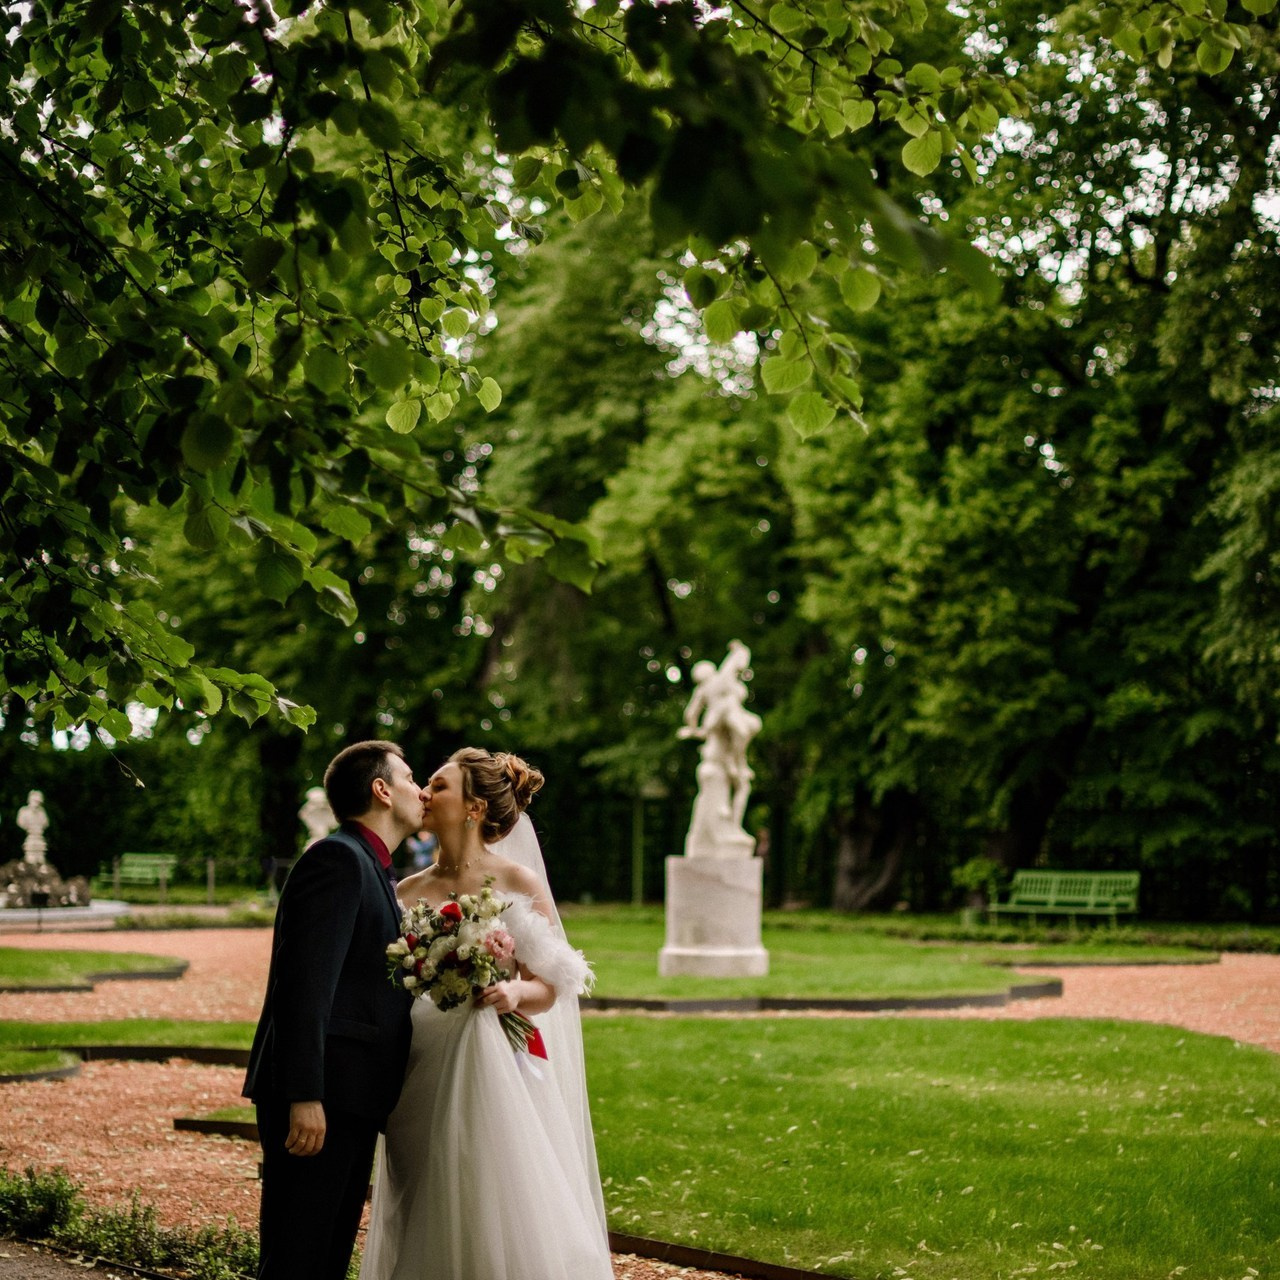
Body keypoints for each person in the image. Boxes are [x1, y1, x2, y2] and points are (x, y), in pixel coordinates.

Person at [360, 747, 611, 1280]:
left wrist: (516, 996)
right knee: (419, 1190)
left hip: (491, 1060)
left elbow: (553, 984)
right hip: (415, 1063)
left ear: (474, 807)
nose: (424, 793)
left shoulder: (518, 882)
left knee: (488, 1187)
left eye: (439, 786)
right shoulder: (405, 891)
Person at [243, 740, 425, 1280]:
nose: (420, 790)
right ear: (382, 790)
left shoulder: (372, 866)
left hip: (352, 1095)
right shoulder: (337, 859)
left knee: (325, 1255)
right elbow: (304, 987)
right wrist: (305, 1094)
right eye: (410, 777)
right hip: (319, 1097)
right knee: (297, 1255)